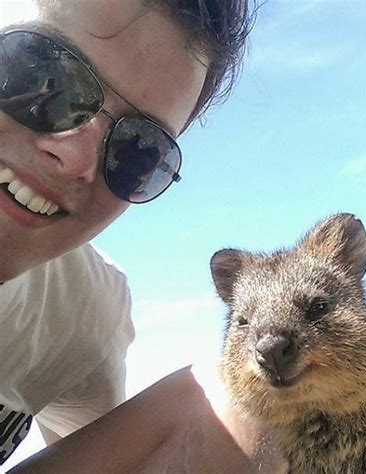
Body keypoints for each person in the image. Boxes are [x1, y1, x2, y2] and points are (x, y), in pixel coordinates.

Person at [0, 0, 286, 471]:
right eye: (43, 73)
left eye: (139, 149)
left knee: (236, 408)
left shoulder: (81, 312)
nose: (78, 159)